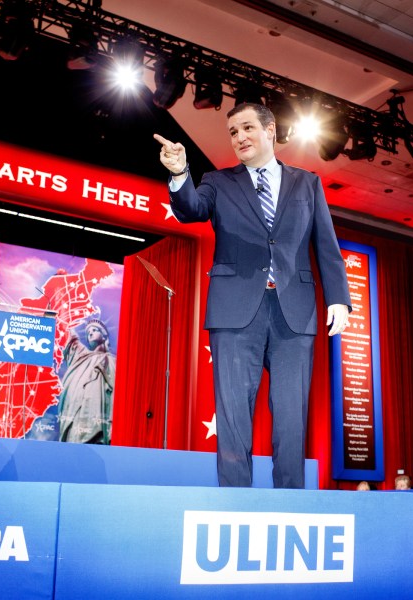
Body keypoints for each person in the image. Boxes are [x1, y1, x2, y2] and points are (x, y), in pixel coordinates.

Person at [154, 103, 351, 488]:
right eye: (233, 132)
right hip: (234, 311)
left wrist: (339, 298)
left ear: (270, 130)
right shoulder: (217, 181)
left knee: (292, 417)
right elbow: (191, 209)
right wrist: (179, 173)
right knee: (233, 415)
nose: (239, 137)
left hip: (295, 312)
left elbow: (326, 245)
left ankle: (290, 502)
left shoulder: (306, 183)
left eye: (247, 128)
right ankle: (235, 502)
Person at [57, 318, 115, 444]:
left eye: (95, 330)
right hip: (78, 410)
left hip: (101, 411)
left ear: (104, 336)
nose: (90, 333)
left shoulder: (113, 361)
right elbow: (70, 338)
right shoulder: (82, 356)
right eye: (88, 332)